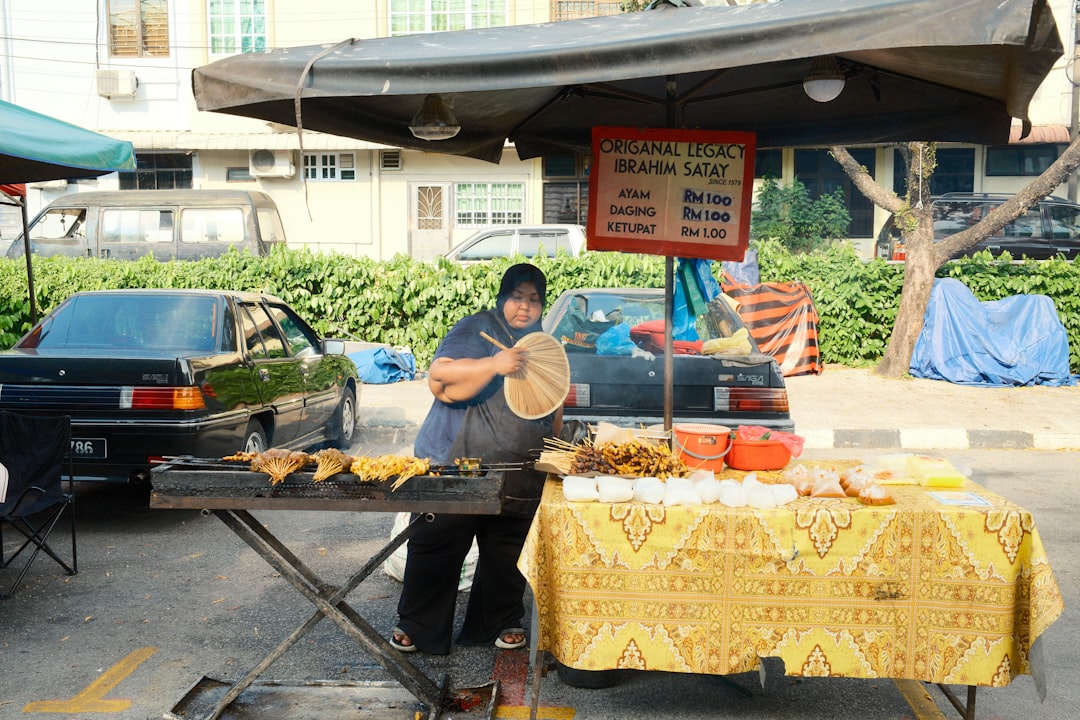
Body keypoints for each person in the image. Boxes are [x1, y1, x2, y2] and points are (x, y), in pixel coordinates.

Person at [390, 263, 562, 655]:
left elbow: (553, 400)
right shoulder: (476, 328)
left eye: (534, 300)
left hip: (517, 466)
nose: (525, 307)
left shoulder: (539, 343)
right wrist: (494, 365)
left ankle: (499, 620)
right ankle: (417, 626)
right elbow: (440, 375)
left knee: (506, 547)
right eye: (517, 297)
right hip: (457, 459)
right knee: (439, 540)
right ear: (503, 298)